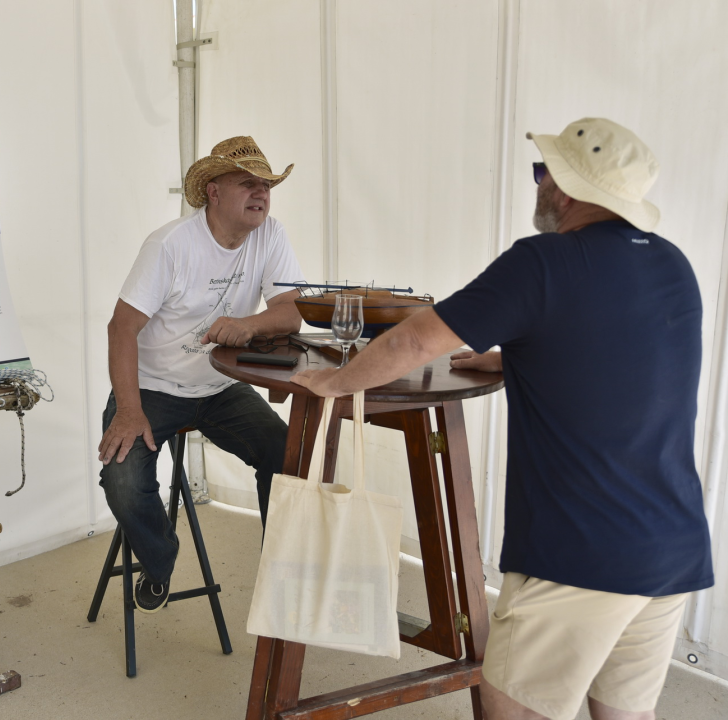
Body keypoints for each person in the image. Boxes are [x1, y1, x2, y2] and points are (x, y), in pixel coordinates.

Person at [291, 118, 713, 720]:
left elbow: (414, 344)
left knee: (513, 709)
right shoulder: (673, 265)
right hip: (673, 546)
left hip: (580, 552)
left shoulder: (542, 262)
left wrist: (334, 381)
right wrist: (518, 354)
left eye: (543, 171)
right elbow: (625, 365)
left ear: (565, 187)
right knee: (625, 715)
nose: (537, 184)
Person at [99, 136, 306, 613]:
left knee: (287, 456)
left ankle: (282, 575)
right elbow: (121, 328)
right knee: (123, 482)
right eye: (247, 184)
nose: (261, 194)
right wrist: (129, 410)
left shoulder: (270, 234)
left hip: (220, 386)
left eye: (267, 186)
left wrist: (246, 325)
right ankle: (160, 559)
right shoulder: (170, 245)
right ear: (213, 192)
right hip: (152, 387)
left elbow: (291, 313)